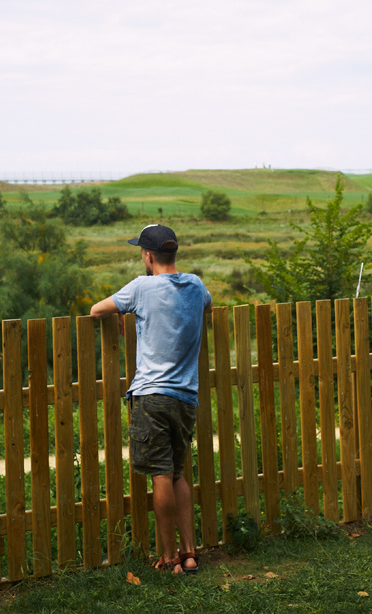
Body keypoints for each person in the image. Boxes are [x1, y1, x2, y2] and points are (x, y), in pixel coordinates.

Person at [90, 224, 211, 575]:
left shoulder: (141, 288)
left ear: (148, 255)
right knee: (178, 474)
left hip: (151, 396)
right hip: (186, 396)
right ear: (174, 253)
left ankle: (170, 558)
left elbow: (97, 310)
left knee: (160, 475)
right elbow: (209, 307)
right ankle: (190, 554)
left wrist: (126, 313)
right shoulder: (196, 285)